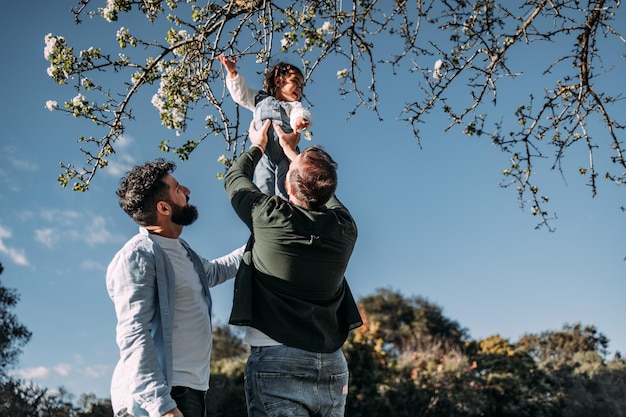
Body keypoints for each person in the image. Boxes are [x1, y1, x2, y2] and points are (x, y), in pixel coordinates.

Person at [224, 120, 362, 417]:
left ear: (288, 185)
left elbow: (234, 178)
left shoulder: (269, 215)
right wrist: (294, 153)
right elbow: (326, 194)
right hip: (332, 364)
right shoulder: (345, 229)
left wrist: (258, 146)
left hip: (276, 360)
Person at [106, 158, 244, 417]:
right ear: (163, 207)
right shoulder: (138, 256)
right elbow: (133, 334)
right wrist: (161, 405)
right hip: (158, 398)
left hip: (191, 390)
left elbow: (216, 270)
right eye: (178, 188)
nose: (187, 191)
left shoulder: (182, 251)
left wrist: (265, 238)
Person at [218, 54, 313, 200]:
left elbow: (299, 112)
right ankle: (267, 207)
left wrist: (300, 120)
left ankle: (285, 208)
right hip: (264, 152)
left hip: (285, 152)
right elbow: (241, 95)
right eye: (295, 82)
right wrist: (232, 73)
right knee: (264, 182)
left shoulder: (293, 105)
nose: (299, 89)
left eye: (301, 86)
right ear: (278, 81)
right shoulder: (259, 98)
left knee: (286, 182)